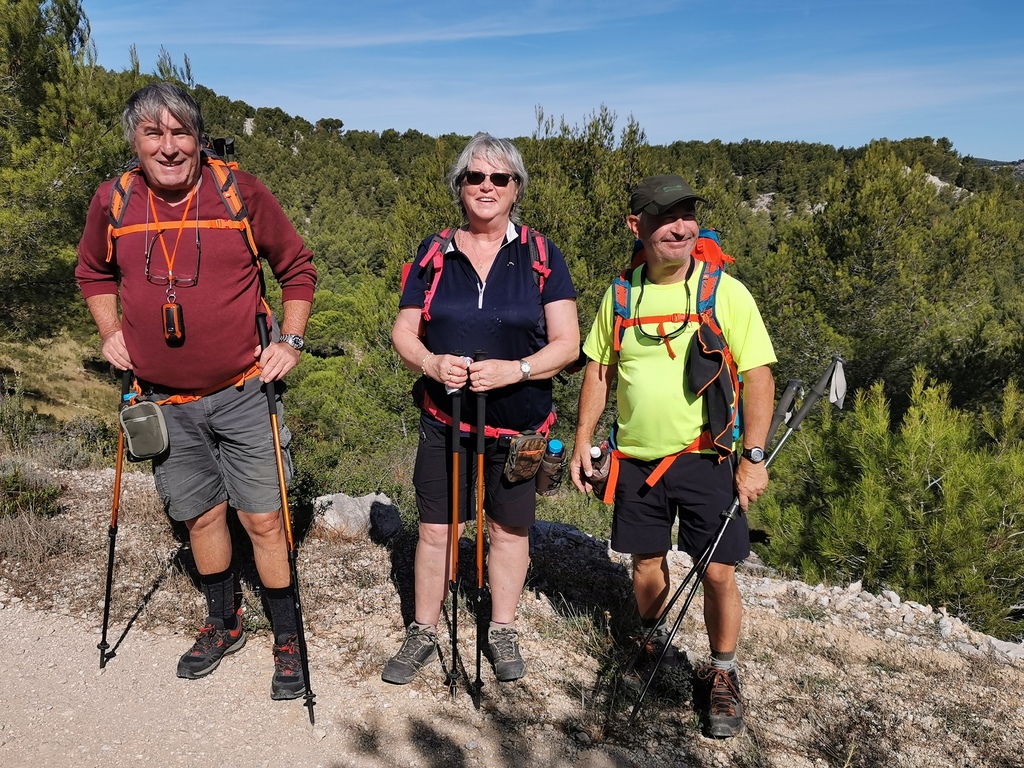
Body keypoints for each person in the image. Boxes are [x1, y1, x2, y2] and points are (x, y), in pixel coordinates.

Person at [76, 83, 317, 700]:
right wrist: (109, 333)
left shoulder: (239, 191)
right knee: (200, 514)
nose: (169, 146)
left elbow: (295, 266)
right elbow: (93, 271)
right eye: (154, 133)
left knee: (263, 518)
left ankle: (286, 637)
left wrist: (289, 340)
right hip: (160, 398)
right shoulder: (115, 200)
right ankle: (223, 621)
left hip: (243, 390)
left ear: (199, 138)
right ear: (135, 141)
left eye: (180, 132)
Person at [570, 174, 776, 738]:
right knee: (644, 564)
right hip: (635, 459)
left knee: (716, 571)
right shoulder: (620, 295)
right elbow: (598, 370)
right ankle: (651, 638)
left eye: (686, 215)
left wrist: (752, 457)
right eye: (664, 217)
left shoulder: (724, 291)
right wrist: (584, 437)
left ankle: (723, 673)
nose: (679, 227)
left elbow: (758, 376)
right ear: (637, 227)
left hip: (707, 458)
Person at [386, 133, 580, 685]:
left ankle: (501, 627)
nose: (487, 186)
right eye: (475, 177)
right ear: (459, 186)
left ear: (517, 188)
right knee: (435, 529)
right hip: (445, 419)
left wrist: (514, 369)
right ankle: (424, 629)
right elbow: (404, 330)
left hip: (519, 425)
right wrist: (429, 363)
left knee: (510, 530)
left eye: (500, 178)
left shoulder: (541, 255)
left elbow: (568, 343)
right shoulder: (433, 252)